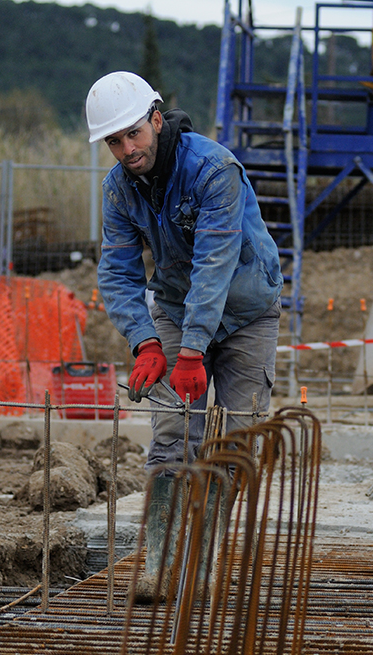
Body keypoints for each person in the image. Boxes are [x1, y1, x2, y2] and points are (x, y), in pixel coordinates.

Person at [86, 71, 283, 600]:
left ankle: (205, 558)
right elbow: (119, 272)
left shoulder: (213, 168)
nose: (127, 149)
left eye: (134, 134)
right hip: (175, 308)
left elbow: (215, 264)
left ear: (155, 118)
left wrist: (193, 350)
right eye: (114, 141)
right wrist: (145, 341)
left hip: (246, 311)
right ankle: (158, 558)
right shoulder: (118, 189)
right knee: (172, 436)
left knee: (238, 440)